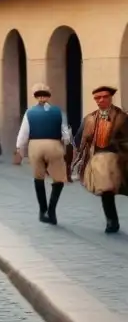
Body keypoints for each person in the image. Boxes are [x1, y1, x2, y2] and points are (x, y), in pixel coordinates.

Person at [72, 85, 128, 234]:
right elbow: (79, 139)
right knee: (106, 190)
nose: (101, 100)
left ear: (111, 98)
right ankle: (112, 221)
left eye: (105, 97)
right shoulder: (90, 118)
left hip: (120, 157)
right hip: (99, 159)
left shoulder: (122, 117)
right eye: (98, 98)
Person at [15, 83, 71, 225]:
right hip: (54, 144)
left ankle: (42, 210)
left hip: (35, 145)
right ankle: (51, 211)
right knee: (58, 179)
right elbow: (65, 134)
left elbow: (23, 133)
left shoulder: (30, 112)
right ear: (48, 97)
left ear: (36, 97)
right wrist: (65, 143)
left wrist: (19, 148)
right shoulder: (58, 112)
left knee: (38, 178)